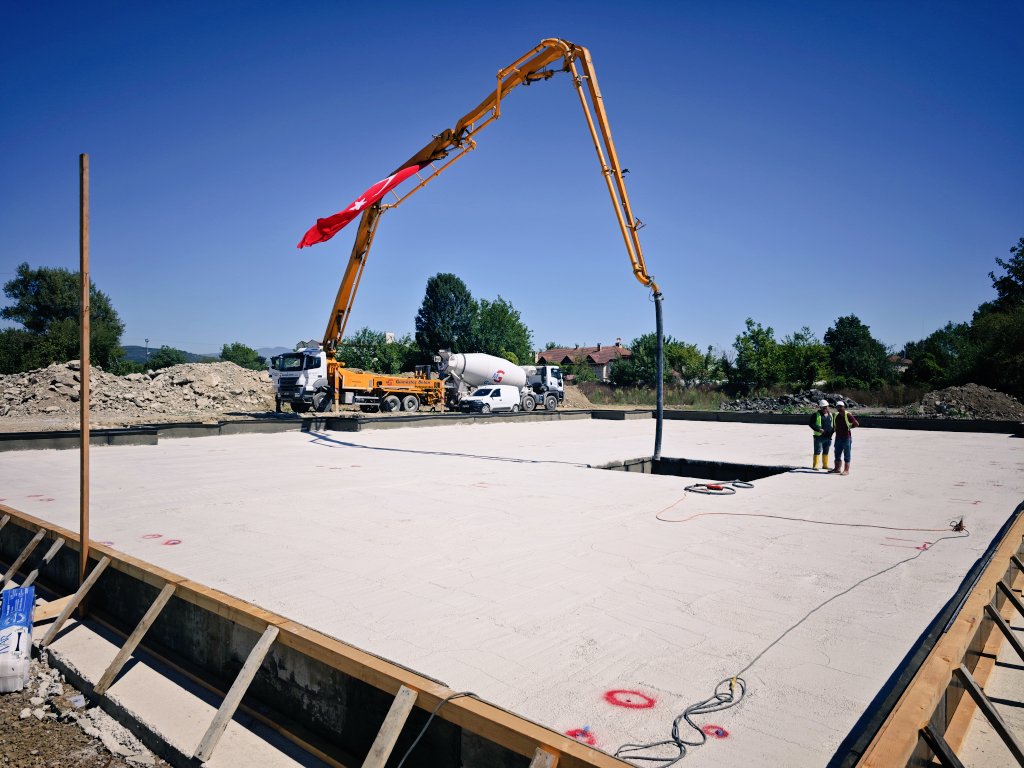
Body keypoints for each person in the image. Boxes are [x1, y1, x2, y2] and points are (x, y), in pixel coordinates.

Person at [830, 400, 859, 475]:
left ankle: (846, 470)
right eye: (838, 407)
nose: (839, 408)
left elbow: (856, 423)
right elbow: (834, 427)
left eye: (840, 407)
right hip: (838, 437)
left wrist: (850, 427)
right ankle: (837, 469)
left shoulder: (848, 415)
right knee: (837, 453)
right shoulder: (836, 415)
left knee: (847, 454)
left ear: (844, 407)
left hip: (846, 437)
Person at [808, 399, 834, 470]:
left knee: (826, 451)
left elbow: (833, 425)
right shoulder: (816, 415)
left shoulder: (830, 415)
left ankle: (825, 465)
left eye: (826, 407)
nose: (825, 408)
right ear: (820, 407)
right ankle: (815, 465)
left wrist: (832, 432)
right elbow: (811, 424)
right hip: (819, 436)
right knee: (817, 450)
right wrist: (818, 429)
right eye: (823, 407)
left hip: (828, 437)